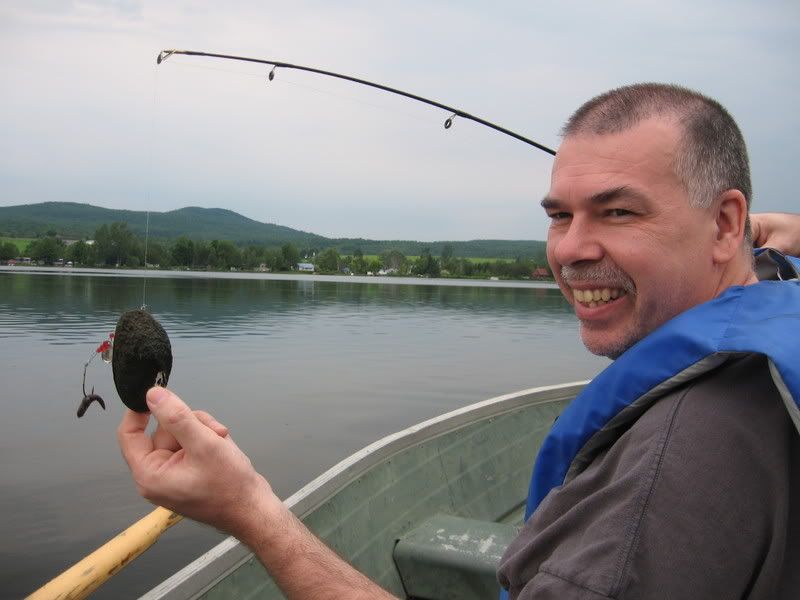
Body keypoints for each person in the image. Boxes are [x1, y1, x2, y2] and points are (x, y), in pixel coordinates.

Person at [118, 83, 800, 600]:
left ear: (725, 223)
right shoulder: (776, 297)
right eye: (560, 214)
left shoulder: (662, 477)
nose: (570, 249)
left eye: (618, 211)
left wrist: (251, 512)